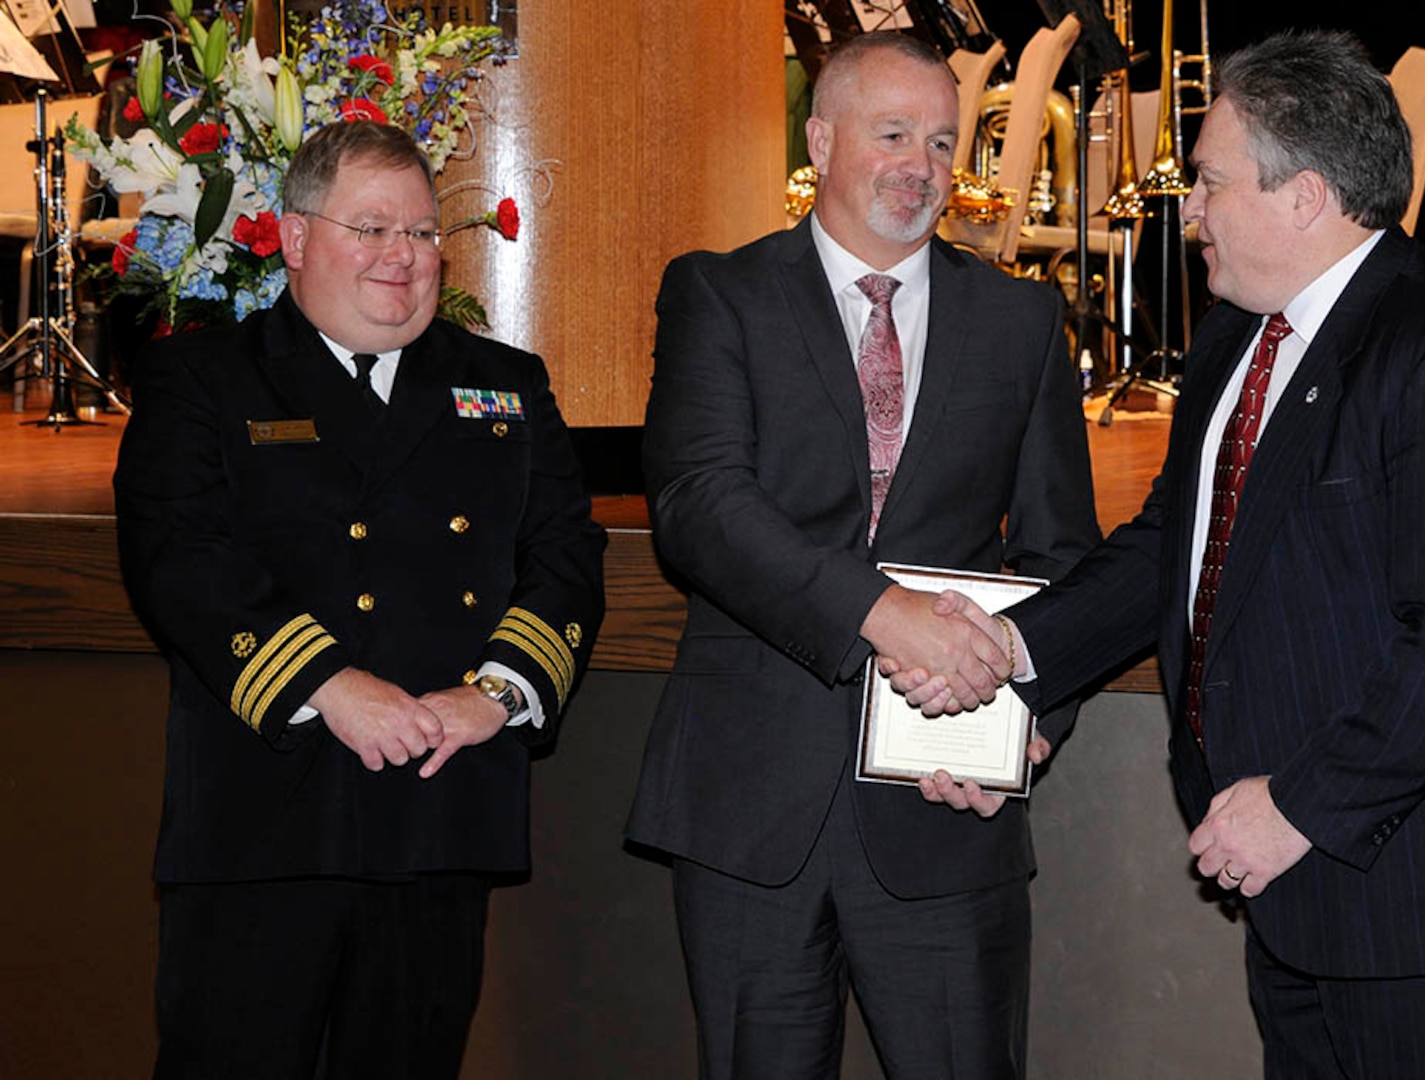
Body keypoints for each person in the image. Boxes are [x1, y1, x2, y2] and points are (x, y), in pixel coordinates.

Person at [895, 30, 1425, 1079]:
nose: (1189, 210)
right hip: (1295, 894)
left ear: (1304, 196)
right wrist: (1005, 658)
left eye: (1211, 182)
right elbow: (1168, 552)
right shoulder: (1238, 337)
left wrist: (1299, 806)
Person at [624, 31, 1099, 1080]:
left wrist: (1026, 724)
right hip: (750, 808)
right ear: (821, 138)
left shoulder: (1021, 320)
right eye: (893, 135)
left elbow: (1066, 552)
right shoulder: (719, 295)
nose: (921, 166)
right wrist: (881, 611)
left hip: (947, 802)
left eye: (940, 141)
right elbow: (700, 505)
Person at [116, 120, 605, 1079]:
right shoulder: (204, 380)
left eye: (423, 234)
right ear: (295, 239)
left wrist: (495, 695)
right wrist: (335, 685)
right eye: (373, 229)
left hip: (439, 809)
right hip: (265, 821)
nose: (404, 258)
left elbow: (566, 555)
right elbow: (181, 558)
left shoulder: (502, 383)